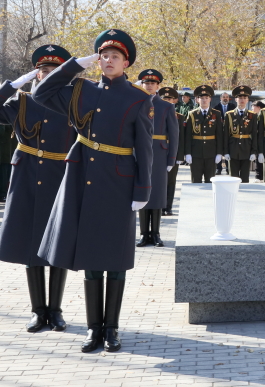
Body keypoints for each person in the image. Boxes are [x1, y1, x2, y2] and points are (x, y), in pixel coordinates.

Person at [32, 28, 153, 353]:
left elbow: (145, 148)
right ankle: (92, 329)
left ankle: (111, 329)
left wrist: (143, 190)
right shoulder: (80, 90)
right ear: (97, 60)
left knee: (113, 258)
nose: (109, 60)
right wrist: (74, 64)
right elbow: (41, 93)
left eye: (115, 56)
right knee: (90, 259)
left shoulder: (139, 98)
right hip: (83, 179)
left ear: (126, 62)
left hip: (119, 184)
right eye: (104, 55)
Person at [0, 44, 76, 334]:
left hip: (60, 177)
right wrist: (12, 85)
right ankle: (37, 311)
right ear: (35, 74)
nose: (45, 75)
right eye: (42, 71)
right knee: (30, 245)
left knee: (57, 244)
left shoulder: (70, 102)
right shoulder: (20, 101)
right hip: (26, 178)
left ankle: (55, 311)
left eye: (52, 72)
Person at [136, 69, 178, 248]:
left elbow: (174, 134)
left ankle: (156, 233)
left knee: (158, 193)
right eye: (146, 83)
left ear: (158, 86)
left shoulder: (166, 106)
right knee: (142, 192)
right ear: (142, 85)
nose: (149, 86)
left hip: (160, 154)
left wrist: (171, 159)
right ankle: (144, 234)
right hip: (139, 152)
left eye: (153, 83)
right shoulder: (136, 103)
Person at [183, 85, 224, 184]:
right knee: (196, 181)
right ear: (197, 100)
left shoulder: (216, 114)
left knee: (210, 181)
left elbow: (219, 134)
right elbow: (188, 135)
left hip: (211, 153)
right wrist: (187, 153)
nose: (204, 100)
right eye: (201, 98)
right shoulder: (192, 114)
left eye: (206, 98)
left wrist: (219, 153)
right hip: (196, 153)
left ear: (210, 99)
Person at [224, 86, 258, 183]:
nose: (242, 100)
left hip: (246, 148)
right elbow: (225, 134)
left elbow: (255, 134)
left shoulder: (252, 115)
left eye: (244, 98)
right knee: (233, 179)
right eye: (240, 98)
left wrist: (253, 151)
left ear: (247, 100)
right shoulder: (229, 115)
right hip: (233, 149)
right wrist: (225, 151)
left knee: (245, 179)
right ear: (236, 99)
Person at [158, 87, 183, 215]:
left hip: (172, 153)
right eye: (165, 98)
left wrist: (179, 156)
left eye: (169, 99)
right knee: (159, 181)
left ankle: (168, 206)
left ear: (174, 100)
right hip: (159, 152)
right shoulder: (155, 112)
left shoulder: (179, 117)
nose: (167, 101)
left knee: (171, 182)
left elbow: (181, 138)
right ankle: (160, 205)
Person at [214, 92, 235, 175]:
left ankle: (227, 167)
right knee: (218, 149)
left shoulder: (233, 107)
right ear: (220, 98)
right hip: (219, 131)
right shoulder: (216, 108)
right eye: (224, 97)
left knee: (227, 149)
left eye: (227, 97)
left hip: (230, 131)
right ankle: (218, 168)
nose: (225, 98)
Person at [252, 100, 265, 181]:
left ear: (258, 107)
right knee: (257, 158)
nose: (252, 109)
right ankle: (259, 175)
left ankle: (260, 176)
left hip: (264, 140)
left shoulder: (263, 116)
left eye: (253, 107)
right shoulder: (255, 116)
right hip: (256, 140)